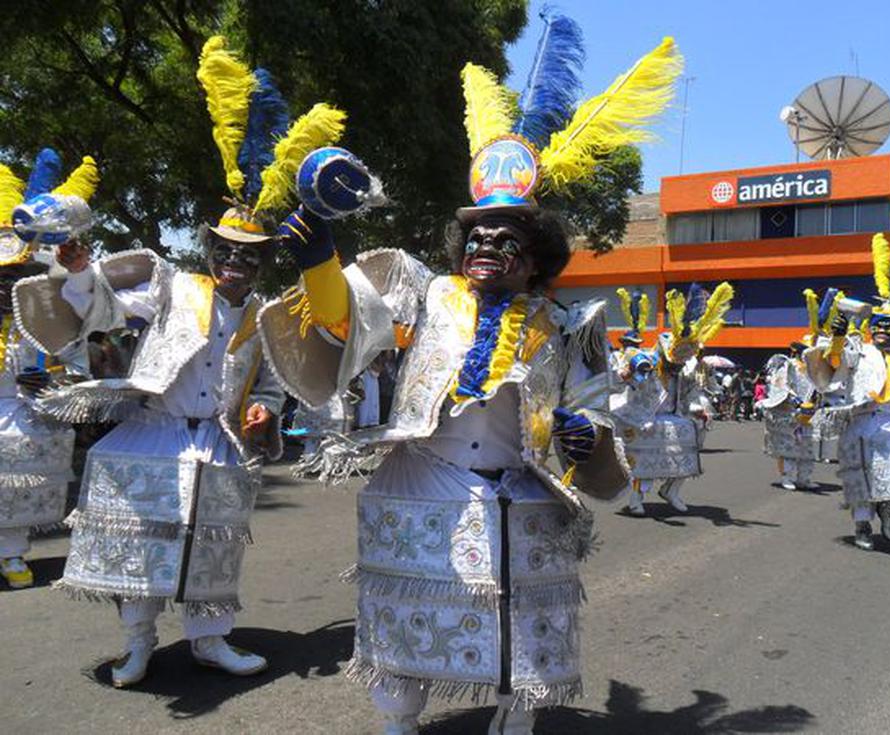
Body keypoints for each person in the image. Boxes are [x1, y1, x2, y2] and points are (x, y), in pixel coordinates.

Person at [259, 14, 676, 732]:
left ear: (537, 258)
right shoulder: (425, 289)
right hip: (422, 481)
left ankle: (515, 721)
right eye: (476, 236)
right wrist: (316, 256)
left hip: (524, 490)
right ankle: (398, 724)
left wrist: (587, 438)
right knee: (408, 622)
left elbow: (594, 405)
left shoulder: (569, 326)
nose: (487, 246)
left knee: (525, 633)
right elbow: (347, 318)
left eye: (506, 239)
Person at [11, 36, 347, 686]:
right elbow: (105, 311)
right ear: (210, 248)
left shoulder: (267, 313)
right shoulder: (171, 284)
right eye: (225, 248)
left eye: (248, 254)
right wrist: (80, 272)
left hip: (215, 445)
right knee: (141, 551)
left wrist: (264, 413)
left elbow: (276, 380)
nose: (234, 261)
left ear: (261, 262)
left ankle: (210, 641)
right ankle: (136, 644)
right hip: (151, 438)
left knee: (210, 552)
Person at [804, 230, 890, 550]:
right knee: (860, 476)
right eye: (877, 326)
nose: (881, 331)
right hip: (861, 419)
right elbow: (835, 362)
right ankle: (862, 526)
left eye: (888, 328)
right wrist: (837, 336)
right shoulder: (859, 350)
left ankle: (889, 507)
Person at [0, 150, 92, 588]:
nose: (6, 288)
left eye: (15, 278)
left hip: (22, 422)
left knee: (16, 485)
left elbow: (75, 366)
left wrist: (49, 381)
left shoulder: (43, 321)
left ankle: (11, 553)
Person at [615, 282, 734, 516]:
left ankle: (671, 489)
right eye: (672, 365)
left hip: (672, 418)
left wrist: (698, 410)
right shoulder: (645, 363)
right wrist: (628, 375)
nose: (675, 369)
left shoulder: (683, 373)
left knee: (689, 437)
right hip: (642, 418)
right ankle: (636, 498)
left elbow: (688, 398)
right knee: (644, 455)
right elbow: (623, 382)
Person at [760, 342, 820, 490]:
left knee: (807, 447)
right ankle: (787, 477)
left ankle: (804, 478)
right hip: (789, 412)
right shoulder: (787, 366)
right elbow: (780, 386)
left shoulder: (812, 369)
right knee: (789, 447)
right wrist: (796, 401)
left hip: (807, 414)